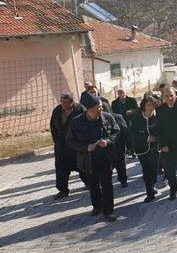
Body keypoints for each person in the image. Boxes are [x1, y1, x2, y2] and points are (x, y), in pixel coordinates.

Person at [66, 94, 120, 222]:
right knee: (93, 185)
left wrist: (108, 141)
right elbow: (69, 140)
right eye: (99, 106)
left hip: (106, 158)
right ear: (89, 109)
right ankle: (97, 206)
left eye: (101, 105)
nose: (102, 108)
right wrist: (85, 147)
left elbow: (116, 131)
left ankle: (108, 211)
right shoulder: (76, 122)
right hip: (88, 160)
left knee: (107, 185)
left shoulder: (107, 117)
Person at [50, 92, 88, 199]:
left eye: (67, 102)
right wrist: (57, 141)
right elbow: (53, 127)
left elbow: (86, 125)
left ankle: (89, 183)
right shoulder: (57, 111)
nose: (65, 104)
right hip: (62, 146)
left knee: (82, 165)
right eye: (63, 102)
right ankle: (63, 190)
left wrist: (82, 142)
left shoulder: (80, 110)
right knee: (61, 168)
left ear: (72, 101)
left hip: (76, 145)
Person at [129, 96, 160, 203]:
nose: (151, 106)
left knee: (154, 168)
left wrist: (155, 137)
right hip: (142, 147)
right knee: (146, 170)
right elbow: (133, 132)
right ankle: (149, 192)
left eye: (152, 104)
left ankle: (153, 184)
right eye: (148, 105)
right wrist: (145, 138)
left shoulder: (158, 116)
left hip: (155, 147)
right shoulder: (138, 117)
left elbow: (162, 130)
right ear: (144, 106)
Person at [111, 89, 137, 157]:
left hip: (130, 121)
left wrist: (131, 111)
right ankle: (127, 151)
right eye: (119, 93)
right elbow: (113, 113)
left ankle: (132, 150)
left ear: (125, 92)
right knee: (123, 137)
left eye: (122, 93)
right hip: (120, 123)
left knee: (130, 137)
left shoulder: (132, 100)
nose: (121, 95)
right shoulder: (115, 103)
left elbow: (137, 109)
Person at [111, 113, 129, 188]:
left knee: (120, 163)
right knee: (120, 164)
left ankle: (123, 180)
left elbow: (125, 131)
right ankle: (123, 180)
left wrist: (128, 145)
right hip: (112, 146)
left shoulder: (117, 117)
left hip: (117, 145)